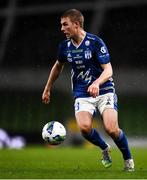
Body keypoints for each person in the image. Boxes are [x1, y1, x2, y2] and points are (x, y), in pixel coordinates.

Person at [42, 9, 134, 171]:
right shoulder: (64, 46)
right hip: (82, 93)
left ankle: (128, 159)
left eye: (65, 25)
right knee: (84, 128)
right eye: (61, 25)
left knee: (111, 129)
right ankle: (105, 148)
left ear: (76, 24)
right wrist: (48, 87)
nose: (62, 29)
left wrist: (97, 83)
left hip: (104, 89)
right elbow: (58, 66)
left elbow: (108, 70)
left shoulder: (95, 42)